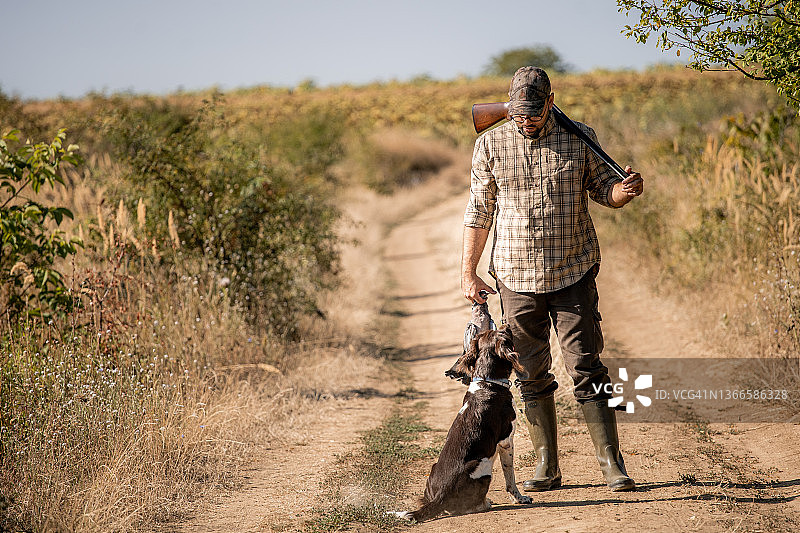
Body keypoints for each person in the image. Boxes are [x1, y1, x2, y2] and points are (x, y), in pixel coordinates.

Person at [461, 66, 644, 493]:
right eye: (518, 113)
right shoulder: (489, 143)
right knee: (530, 372)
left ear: (551, 102)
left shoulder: (580, 137)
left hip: (572, 271)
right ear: (508, 107)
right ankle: (547, 466)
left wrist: (625, 192)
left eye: (534, 112)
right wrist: (467, 272)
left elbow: (605, 191)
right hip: (515, 277)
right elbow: (479, 211)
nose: (526, 120)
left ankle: (611, 464)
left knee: (586, 364)